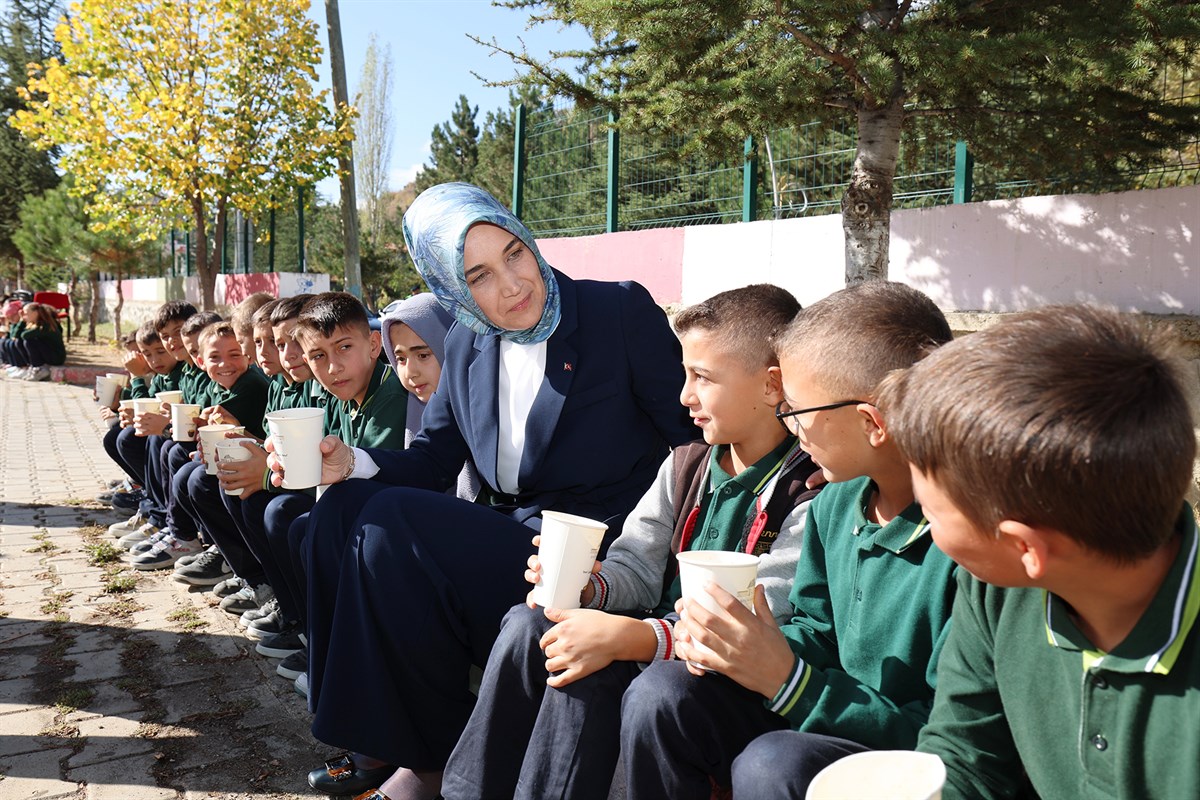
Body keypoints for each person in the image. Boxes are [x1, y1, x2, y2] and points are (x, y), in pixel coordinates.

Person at [282, 182, 697, 799]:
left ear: (528, 239)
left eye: (514, 253)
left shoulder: (615, 312)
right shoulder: (467, 341)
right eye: (477, 274)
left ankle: (415, 760)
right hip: (513, 540)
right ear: (450, 286)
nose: (510, 284)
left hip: (595, 553)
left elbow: (692, 438)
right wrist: (349, 461)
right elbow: (433, 458)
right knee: (340, 507)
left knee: (392, 519)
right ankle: (403, 747)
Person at [438, 284, 818, 800]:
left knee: (589, 670)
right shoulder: (687, 464)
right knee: (534, 622)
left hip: (721, 673)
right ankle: (466, 792)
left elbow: (756, 623)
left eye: (702, 378)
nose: (684, 396)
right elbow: (636, 567)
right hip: (655, 641)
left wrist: (630, 637)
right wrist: (590, 588)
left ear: (772, 386)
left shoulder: (810, 488)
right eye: (684, 375)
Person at [618, 281, 958, 799]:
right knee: (666, 691)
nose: (790, 427)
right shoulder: (834, 505)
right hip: (813, 707)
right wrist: (742, 646)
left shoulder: (964, 545)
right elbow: (815, 629)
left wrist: (788, 681)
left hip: (907, 755)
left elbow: (947, 738)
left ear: (871, 422)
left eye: (797, 411)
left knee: (773, 763)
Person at [875, 304, 1200, 800]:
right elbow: (964, 757)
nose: (924, 524)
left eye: (929, 512)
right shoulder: (996, 589)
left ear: (1025, 547)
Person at [10, 301, 66, 381]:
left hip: (56, 357)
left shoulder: (45, 325)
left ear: (35, 313)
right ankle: (31, 367)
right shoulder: (34, 324)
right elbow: (16, 336)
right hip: (48, 354)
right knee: (19, 342)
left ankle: (39, 368)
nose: (25, 315)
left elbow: (24, 335)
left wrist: (23, 321)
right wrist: (22, 321)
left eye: (26, 313)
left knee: (28, 341)